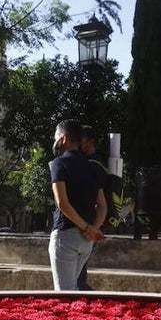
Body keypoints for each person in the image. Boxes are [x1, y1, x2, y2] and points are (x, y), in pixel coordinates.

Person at [49, 119, 107, 291]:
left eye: (56, 138)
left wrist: (87, 227)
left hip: (66, 236)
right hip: (86, 242)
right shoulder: (93, 168)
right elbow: (102, 205)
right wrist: (94, 228)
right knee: (74, 290)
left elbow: (62, 203)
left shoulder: (59, 163)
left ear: (64, 139)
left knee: (64, 296)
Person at [76, 125, 109, 291]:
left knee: (77, 277)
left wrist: (93, 227)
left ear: (90, 142)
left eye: (79, 141)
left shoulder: (92, 165)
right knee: (78, 274)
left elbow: (96, 199)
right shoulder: (98, 163)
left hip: (88, 224)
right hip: (90, 224)